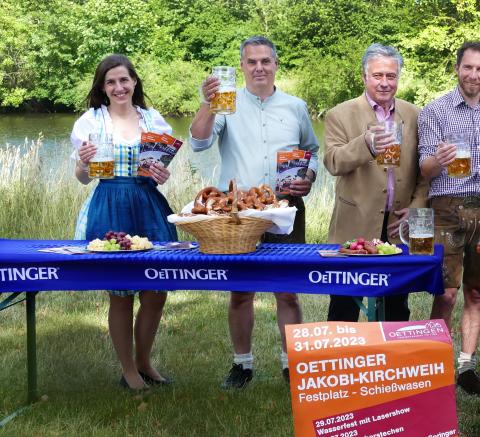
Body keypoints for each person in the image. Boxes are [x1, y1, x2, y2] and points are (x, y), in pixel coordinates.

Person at [189, 36, 320, 389]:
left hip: (285, 207)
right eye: (251, 62)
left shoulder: (295, 106)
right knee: (241, 290)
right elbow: (199, 142)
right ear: (242, 66)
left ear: (276, 64)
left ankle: (291, 365)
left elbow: (312, 151)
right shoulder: (225, 104)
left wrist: (308, 177)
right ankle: (242, 365)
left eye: (265, 61)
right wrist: (207, 102)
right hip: (237, 211)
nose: (259, 67)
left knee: (287, 290)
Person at [70, 54, 176, 391]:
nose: (119, 87)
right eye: (111, 82)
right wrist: (84, 163)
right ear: (103, 87)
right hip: (110, 202)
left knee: (156, 290)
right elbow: (83, 178)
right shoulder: (91, 121)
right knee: (120, 292)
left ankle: (145, 361)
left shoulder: (152, 119)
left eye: (124, 80)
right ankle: (128, 369)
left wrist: (161, 173)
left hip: (147, 203)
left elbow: (160, 173)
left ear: (134, 83)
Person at [417, 41, 480, 395]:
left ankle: (466, 365)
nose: (474, 75)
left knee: (476, 291)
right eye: (468, 67)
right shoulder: (435, 111)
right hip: (447, 207)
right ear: (457, 68)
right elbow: (424, 169)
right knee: (447, 291)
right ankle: (433, 364)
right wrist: (438, 159)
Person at [323, 44, 429, 323]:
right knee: (344, 306)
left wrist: (417, 206)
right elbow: (332, 162)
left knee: (396, 307)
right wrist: (366, 145)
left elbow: (424, 171)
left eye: (391, 76)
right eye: (378, 75)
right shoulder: (339, 114)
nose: (385, 83)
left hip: (397, 224)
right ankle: (342, 363)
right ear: (364, 77)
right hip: (354, 225)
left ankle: (389, 362)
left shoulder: (415, 114)